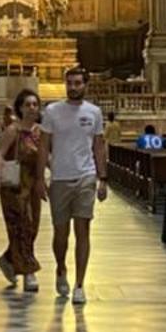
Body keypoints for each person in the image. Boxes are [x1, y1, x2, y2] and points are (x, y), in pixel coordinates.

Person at [40, 65, 107, 305]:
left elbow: (99, 146)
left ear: (85, 85)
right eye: (70, 83)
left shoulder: (94, 112)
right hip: (59, 177)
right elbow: (43, 146)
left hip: (86, 177)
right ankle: (60, 268)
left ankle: (80, 284)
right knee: (61, 233)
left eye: (78, 83)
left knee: (83, 230)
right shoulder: (52, 111)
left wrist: (102, 178)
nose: (73, 87)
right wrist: (40, 179)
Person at [0, 88, 44, 291]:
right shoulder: (13, 130)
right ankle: (29, 272)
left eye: (35, 104)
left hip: (33, 185)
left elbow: (45, 158)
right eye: (27, 105)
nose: (32, 108)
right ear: (20, 108)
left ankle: (8, 260)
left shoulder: (41, 131)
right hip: (14, 186)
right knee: (22, 226)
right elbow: (0, 155)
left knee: (33, 228)